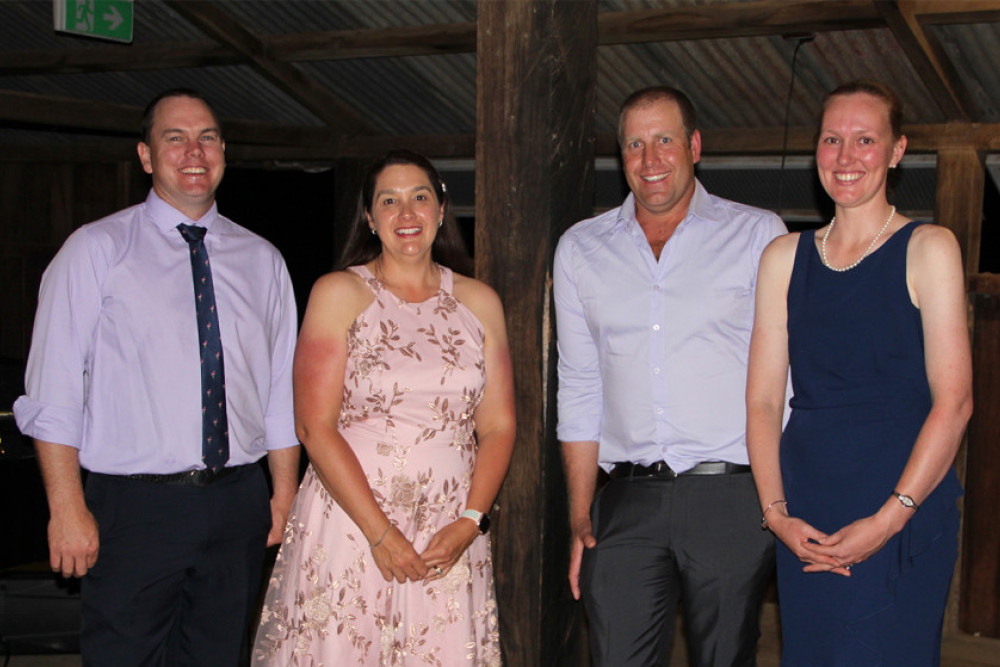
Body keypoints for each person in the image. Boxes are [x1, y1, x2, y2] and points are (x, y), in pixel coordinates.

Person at [13, 88, 300, 666]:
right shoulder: (96, 250)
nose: (194, 151)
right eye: (175, 137)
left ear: (224, 152)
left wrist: (284, 492)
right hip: (134, 508)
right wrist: (66, 507)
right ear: (146, 156)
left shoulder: (262, 259)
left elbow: (277, 392)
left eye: (208, 137)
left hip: (237, 501)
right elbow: (54, 389)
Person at [253, 149, 515, 665]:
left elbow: (500, 425)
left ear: (442, 210)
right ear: (370, 219)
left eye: (420, 197)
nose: (407, 213)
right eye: (388, 201)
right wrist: (380, 532)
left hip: (449, 530)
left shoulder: (480, 302)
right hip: (353, 522)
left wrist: (470, 522)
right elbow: (313, 424)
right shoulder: (338, 293)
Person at [554, 87, 786, 666]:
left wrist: (778, 500)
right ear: (620, 155)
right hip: (627, 497)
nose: (650, 158)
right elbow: (579, 385)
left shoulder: (758, 235)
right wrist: (581, 518)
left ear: (695, 146)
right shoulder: (581, 248)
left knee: (724, 658)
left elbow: (785, 381)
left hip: (732, 494)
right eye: (635, 143)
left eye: (664, 140)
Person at [746, 80, 972, 665]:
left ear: (896, 151)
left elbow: (955, 403)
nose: (846, 158)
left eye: (865, 140)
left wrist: (889, 520)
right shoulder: (783, 257)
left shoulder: (929, 247)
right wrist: (777, 516)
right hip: (807, 509)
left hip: (900, 500)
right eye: (831, 139)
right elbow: (764, 403)